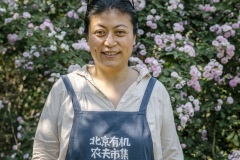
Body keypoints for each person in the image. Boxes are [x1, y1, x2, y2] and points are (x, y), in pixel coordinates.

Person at [32, 0, 184, 159]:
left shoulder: (154, 92)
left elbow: (171, 155)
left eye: (120, 32)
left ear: (134, 37)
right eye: (100, 32)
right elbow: (44, 154)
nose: (109, 42)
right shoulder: (65, 90)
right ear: (88, 38)